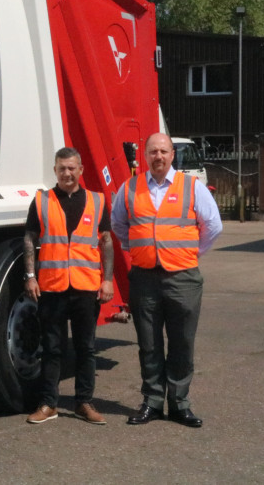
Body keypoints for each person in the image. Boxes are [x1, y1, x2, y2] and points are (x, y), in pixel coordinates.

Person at [111, 133, 222, 428]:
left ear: (173, 154)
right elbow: (118, 225)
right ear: (145, 156)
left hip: (183, 278)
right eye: (152, 152)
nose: (158, 156)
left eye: (163, 151)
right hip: (144, 278)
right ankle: (152, 402)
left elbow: (212, 225)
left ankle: (180, 404)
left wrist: (191, 253)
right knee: (148, 344)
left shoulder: (192, 187)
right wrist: (139, 247)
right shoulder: (130, 188)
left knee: (182, 342)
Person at [23, 147, 114, 425]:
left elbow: (107, 241)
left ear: (81, 170)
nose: (67, 173)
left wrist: (107, 279)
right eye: (62, 168)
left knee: (86, 348)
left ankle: (83, 403)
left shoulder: (97, 201)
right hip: (52, 287)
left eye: (72, 168)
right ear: (55, 171)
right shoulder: (41, 201)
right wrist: (30, 275)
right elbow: (29, 239)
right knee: (52, 348)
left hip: (86, 288)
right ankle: (49, 404)